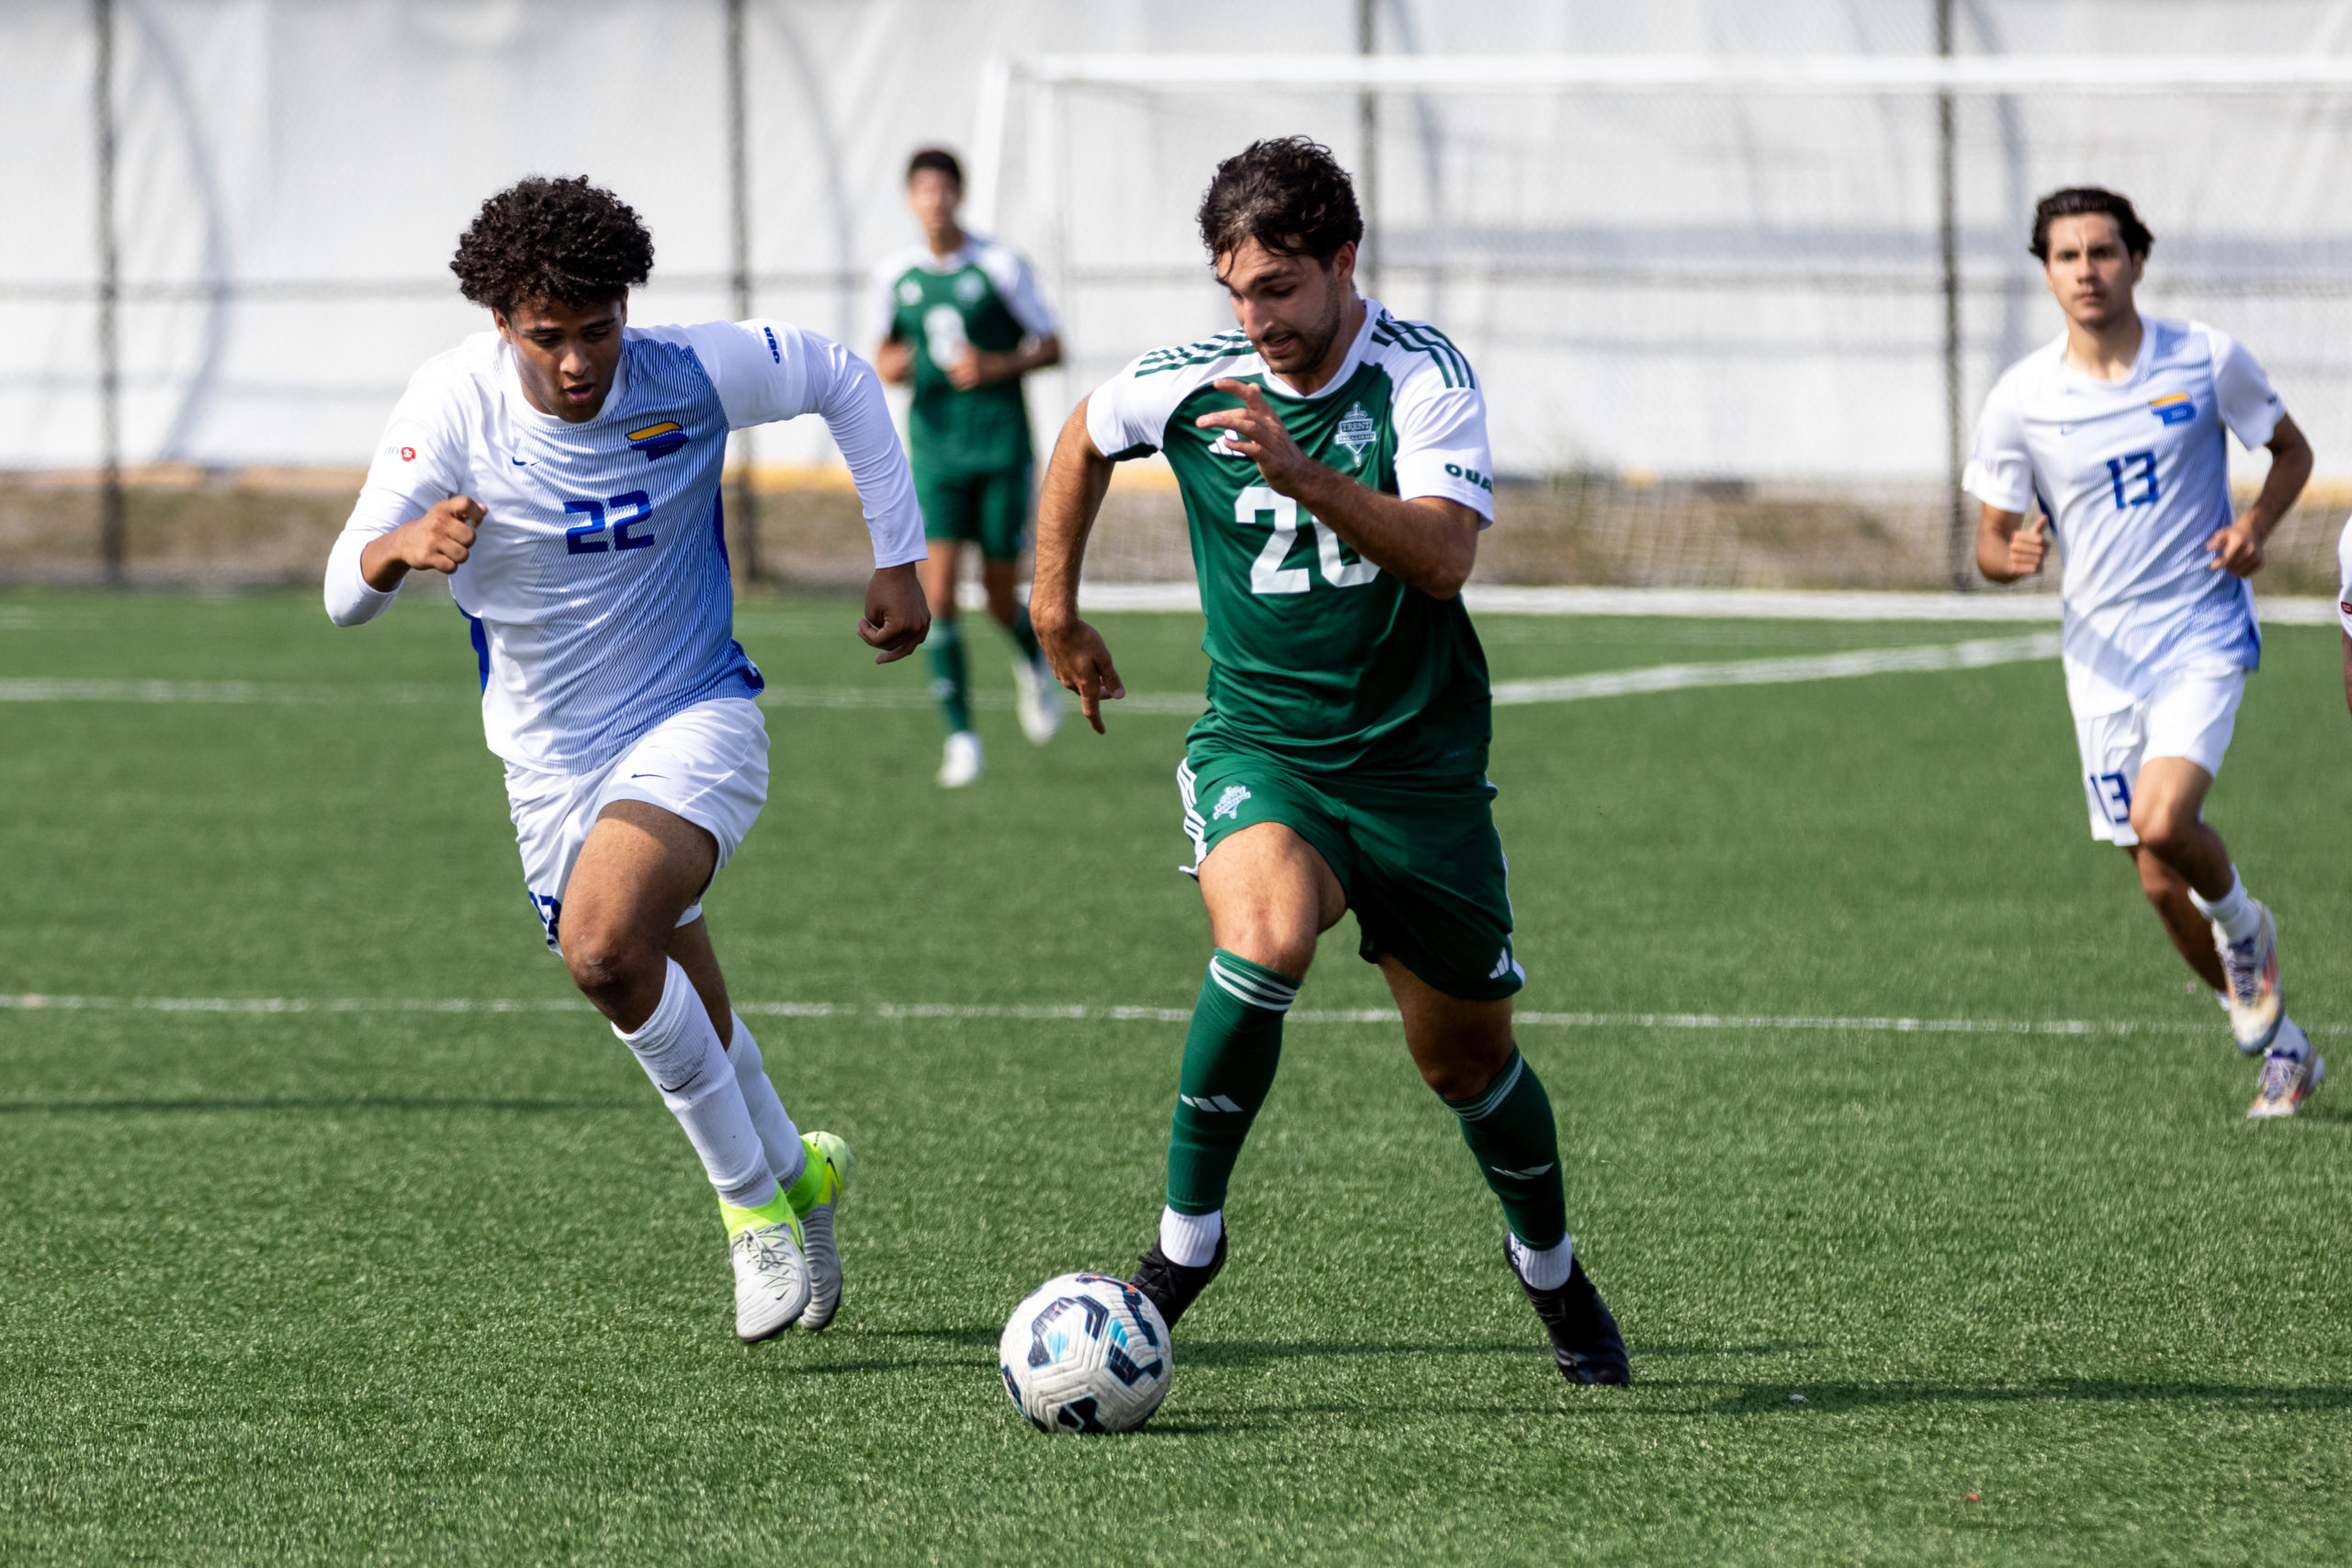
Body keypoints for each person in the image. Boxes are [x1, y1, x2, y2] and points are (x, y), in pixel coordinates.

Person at [1030, 138, 1629, 1384]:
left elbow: (1445, 555)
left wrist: (1303, 473)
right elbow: (1084, 435)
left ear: (1344, 262)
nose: (1260, 319)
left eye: (1283, 288)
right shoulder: (1193, 381)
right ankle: (1182, 1248)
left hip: (1418, 770)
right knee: (1264, 942)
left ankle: (1552, 1272)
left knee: (1464, 1057)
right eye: (1237, 293)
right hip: (1265, 745)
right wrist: (1053, 606)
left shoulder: (1421, 378)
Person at [323, 176, 932, 1338]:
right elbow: (339, 593)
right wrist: (400, 546)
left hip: (695, 714)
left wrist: (896, 558)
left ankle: (751, 1213)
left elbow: (843, 378)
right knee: (666, 986)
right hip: (547, 767)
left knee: (605, 949)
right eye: (544, 338)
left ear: (623, 314)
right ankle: (800, 1180)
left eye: (595, 331)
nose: (573, 362)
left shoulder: (687, 371)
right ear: (500, 322)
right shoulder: (449, 404)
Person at [1967, 186, 2320, 1119]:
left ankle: (2247, 932)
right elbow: (1988, 542)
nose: (2087, 270)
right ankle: (2280, 1043)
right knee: (2157, 879)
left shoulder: (2203, 358)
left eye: (2103, 251)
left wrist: (2254, 526)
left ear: (2136, 259)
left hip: (2200, 630)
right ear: (2045, 271)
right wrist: (2011, 556)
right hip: (2100, 656)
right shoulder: (2021, 399)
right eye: (2067, 256)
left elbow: (2290, 452)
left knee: (2167, 820)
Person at [873, 146, 1065, 786]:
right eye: (922, 190)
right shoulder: (896, 275)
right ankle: (962, 740)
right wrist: (891, 365)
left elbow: (1052, 345)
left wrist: (996, 365)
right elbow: (886, 351)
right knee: (939, 593)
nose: (934, 200)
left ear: (959, 195)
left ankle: (1033, 664)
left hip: (1000, 447)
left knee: (1000, 599)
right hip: (934, 452)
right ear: (911, 200)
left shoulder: (1000, 266)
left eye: (944, 188)